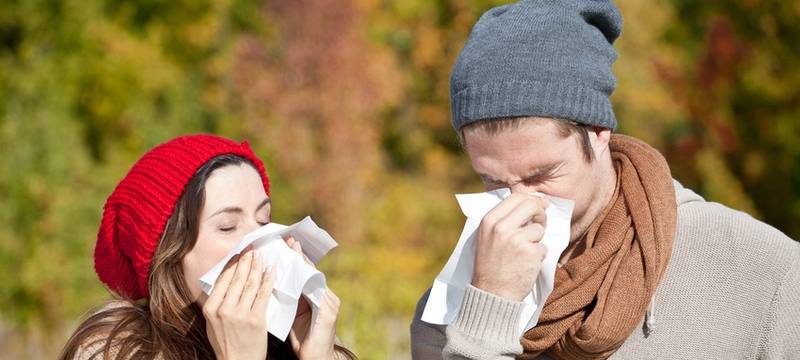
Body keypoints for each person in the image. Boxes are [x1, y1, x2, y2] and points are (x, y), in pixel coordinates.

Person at [410, 0, 800, 359]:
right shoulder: (450, 306)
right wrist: (489, 310)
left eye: (542, 175)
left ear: (598, 134)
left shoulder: (760, 270)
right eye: (493, 180)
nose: (520, 203)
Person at [60, 134, 356, 359]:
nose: (259, 245)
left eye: (264, 221)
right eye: (228, 226)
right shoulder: (115, 349)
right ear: (170, 254)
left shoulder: (296, 337)